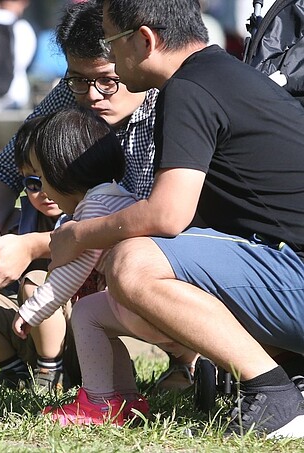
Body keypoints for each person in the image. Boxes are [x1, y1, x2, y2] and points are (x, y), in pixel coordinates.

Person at [49, 0, 304, 437]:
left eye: (111, 42)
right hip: (287, 272)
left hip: (294, 274)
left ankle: (273, 394)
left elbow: (167, 215)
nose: (108, 56)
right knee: (111, 299)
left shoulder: (189, 89)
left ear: (144, 40)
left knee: (134, 263)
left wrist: (78, 235)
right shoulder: (221, 76)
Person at [0, 0, 197, 392]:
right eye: (77, 79)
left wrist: (35, 245)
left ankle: (188, 358)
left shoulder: (171, 107)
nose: (91, 95)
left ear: (132, 57)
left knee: (129, 261)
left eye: (106, 79)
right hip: (84, 254)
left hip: (162, 251)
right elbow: (4, 168)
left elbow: (147, 218)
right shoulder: (70, 94)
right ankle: (55, 361)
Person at [10, 106, 186, 426]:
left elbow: (74, 270)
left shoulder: (94, 205)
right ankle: (126, 400)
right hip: (163, 299)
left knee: (86, 313)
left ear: (61, 173)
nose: (44, 190)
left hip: (144, 303)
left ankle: (98, 403)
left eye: (42, 176)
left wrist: (33, 310)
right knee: (102, 326)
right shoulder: (120, 197)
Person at [0, 115, 80, 391]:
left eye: (56, 179)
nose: (46, 192)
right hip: (29, 330)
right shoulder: (19, 221)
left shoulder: (87, 214)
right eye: (34, 183)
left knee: (35, 281)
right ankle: (18, 373)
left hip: (82, 335)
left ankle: (53, 374)